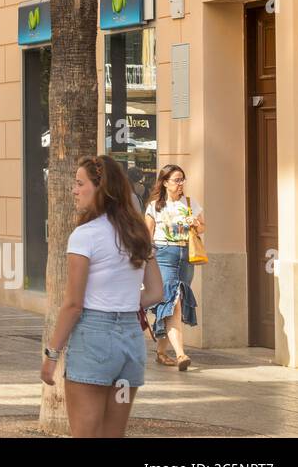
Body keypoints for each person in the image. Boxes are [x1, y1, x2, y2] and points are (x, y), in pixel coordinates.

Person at [41, 155, 164, 438]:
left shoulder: (85, 235)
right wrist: (124, 302)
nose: (74, 189)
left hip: (94, 342)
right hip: (130, 344)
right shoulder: (138, 235)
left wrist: (51, 354)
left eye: (79, 183)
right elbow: (157, 292)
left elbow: (73, 305)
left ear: (101, 189)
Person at [145, 163, 205, 371]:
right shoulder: (155, 206)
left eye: (182, 179)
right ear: (165, 183)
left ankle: (161, 352)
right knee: (174, 301)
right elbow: (148, 235)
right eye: (176, 180)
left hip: (185, 255)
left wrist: (195, 223)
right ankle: (181, 354)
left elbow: (203, 227)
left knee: (172, 305)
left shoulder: (190, 203)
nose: (181, 184)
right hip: (164, 256)